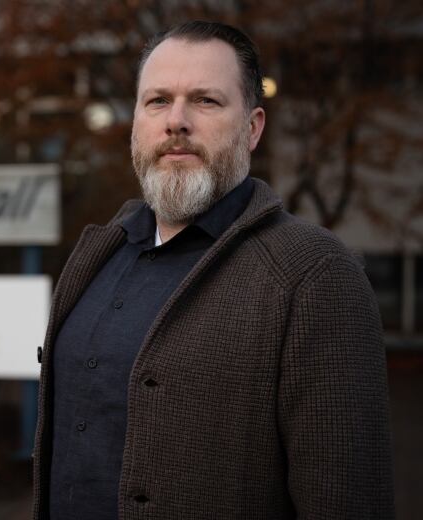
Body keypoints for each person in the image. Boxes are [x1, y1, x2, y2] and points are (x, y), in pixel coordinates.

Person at [32, 20, 394, 519]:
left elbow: (347, 501)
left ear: (253, 128)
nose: (176, 121)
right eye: (157, 101)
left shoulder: (313, 275)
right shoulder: (97, 254)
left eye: (206, 101)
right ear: (136, 123)